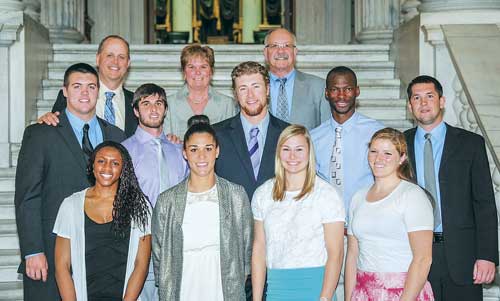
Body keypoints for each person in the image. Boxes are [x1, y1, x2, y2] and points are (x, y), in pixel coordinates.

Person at [14, 63, 126, 300]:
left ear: (98, 91)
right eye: (77, 86)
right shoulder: (41, 134)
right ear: (64, 92)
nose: (84, 93)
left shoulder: (116, 136)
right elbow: (28, 196)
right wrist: (33, 250)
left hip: (103, 256)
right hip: (53, 251)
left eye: (91, 87)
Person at [404, 75, 498, 301]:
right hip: (414, 254)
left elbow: (484, 202)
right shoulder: (400, 144)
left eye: (429, 96)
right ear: (410, 106)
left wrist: (487, 255)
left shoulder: (470, 143)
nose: (423, 103)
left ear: (442, 101)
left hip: (462, 254)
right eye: (417, 98)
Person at [152, 120, 253, 300]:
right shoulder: (167, 201)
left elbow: (246, 249)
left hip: (223, 289)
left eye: (208, 148)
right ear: (184, 153)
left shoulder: (236, 196)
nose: (201, 156)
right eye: (193, 149)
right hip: (183, 288)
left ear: (217, 151)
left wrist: (237, 279)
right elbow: (159, 254)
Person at [251, 124, 345, 301]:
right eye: (286, 149)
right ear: (279, 153)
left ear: (309, 153)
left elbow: (336, 253)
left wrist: (324, 297)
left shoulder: (327, 195)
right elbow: (259, 249)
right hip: (276, 287)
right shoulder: (263, 194)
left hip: (316, 288)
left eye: (299, 149)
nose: (292, 156)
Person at [53, 141, 151, 300]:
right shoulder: (70, 205)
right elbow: (62, 266)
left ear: (122, 169)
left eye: (115, 163)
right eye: (101, 161)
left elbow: (141, 265)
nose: (107, 167)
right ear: (92, 166)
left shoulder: (139, 206)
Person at [345, 127, 434, 301]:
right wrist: (349, 297)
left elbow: (423, 259)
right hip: (364, 291)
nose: (379, 159)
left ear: (402, 158)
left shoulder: (412, 196)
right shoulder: (358, 197)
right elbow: (352, 254)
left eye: (387, 153)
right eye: (374, 151)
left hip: (404, 292)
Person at [122, 83, 188, 300]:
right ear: (136, 111)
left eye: (159, 103)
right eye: (146, 103)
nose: (153, 109)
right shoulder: (125, 152)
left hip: (178, 246)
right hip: (141, 246)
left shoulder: (180, 150)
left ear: (166, 109)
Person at [214, 61, 289, 200]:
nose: (250, 95)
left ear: (267, 89)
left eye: (256, 87)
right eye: (243, 88)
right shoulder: (216, 135)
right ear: (235, 94)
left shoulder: (289, 134)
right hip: (231, 219)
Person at [38, 35, 138, 137]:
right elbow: (56, 130)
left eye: (121, 57)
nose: (115, 62)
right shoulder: (71, 96)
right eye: (109, 55)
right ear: (98, 59)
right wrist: (48, 120)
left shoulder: (138, 103)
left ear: (128, 63)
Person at [165, 44, 238, 137]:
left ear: (211, 72)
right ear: (184, 72)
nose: (198, 72)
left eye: (203, 67)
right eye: (191, 67)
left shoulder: (228, 104)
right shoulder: (169, 104)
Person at [263, 28, 330, 129]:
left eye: (287, 45)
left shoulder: (319, 87)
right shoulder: (254, 88)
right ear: (265, 52)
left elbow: (327, 131)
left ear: (295, 52)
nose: (281, 51)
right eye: (274, 46)